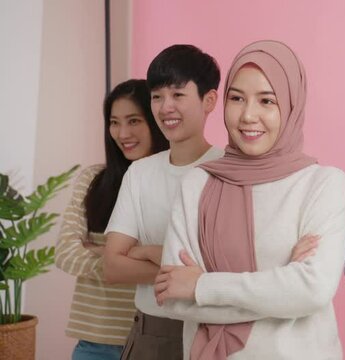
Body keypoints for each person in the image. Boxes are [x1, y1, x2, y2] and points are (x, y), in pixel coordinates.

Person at [153, 40, 345, 360]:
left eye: (267, 101)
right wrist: (282, 288)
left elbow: (313, 290)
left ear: (290, 105)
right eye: (237, 98)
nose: (248, 115)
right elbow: (173, 296)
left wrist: (202, 287)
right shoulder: (198, 184)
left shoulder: (322, 183)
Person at [103, 45, 224, 359]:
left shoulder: (229, 169)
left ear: (209, 100)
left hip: (215, 329)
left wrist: (147, 252)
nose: (165, 107)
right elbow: (113, 266)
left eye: (178, 95)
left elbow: (229, 266)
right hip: (152, 333)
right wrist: (181, 267)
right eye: (157, 96)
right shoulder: (139, 173)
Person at [55, 79, 169, 360]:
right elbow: (65, 253)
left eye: (134, 121)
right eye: (115, 122)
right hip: (95, 343)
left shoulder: (178, 182)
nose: (122, 133)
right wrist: (117, 262)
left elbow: (181, 256)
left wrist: (110, 254)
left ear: (155, 121)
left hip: (156, 339)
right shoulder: (92, 180)